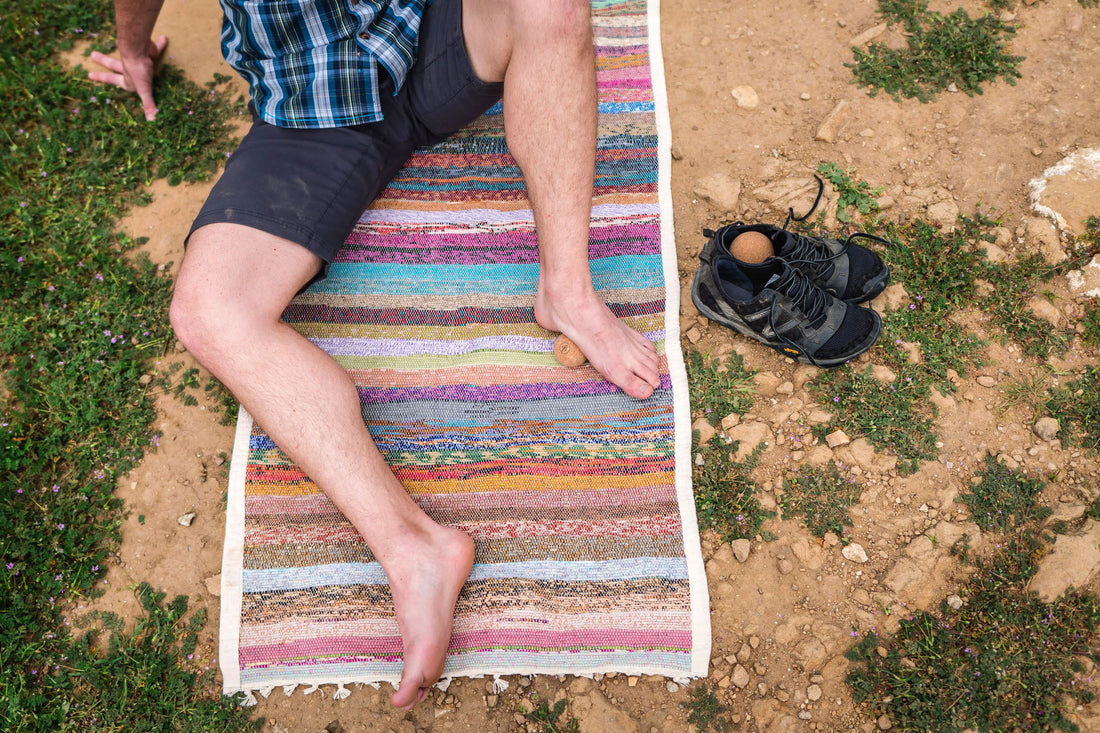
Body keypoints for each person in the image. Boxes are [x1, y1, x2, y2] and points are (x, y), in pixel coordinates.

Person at [91, 0, 661, 710]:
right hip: (313, 107)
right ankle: (414, 547)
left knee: (551, 6)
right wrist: (133, 49)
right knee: (210, 312)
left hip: (423, 32)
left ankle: (568, 293)